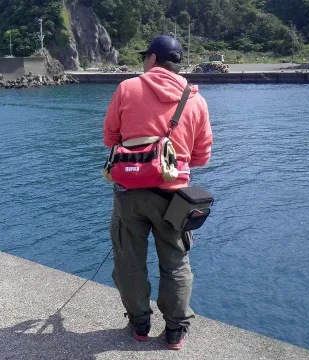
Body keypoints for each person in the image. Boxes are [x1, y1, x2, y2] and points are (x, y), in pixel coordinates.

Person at [102, 35, 213, 350]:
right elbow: (202, 156)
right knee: (176, 262)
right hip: (174, 196)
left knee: (129, 260)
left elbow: (110, 137)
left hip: (130, 192)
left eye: (144, 57)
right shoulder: (196, 100)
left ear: (152, 58)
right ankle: (175, 331)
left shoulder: (128, 88)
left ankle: (139, 323)